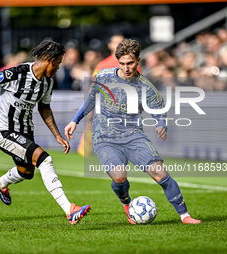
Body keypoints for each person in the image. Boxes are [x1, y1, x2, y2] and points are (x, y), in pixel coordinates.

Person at [0, 40, 90, 225]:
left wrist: (57, 135)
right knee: (44, 159)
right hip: (4, 130)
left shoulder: (47, 82)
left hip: (25, 131)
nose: (58, 68)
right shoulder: (16, 73)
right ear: (51, 60)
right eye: (58, 64)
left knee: (26, 172)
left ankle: (0, 183)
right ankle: (69, 209)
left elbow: (45, 109)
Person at [65, 38, 201, 224]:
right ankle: (127, 203)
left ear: (138, 60)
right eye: (122, 64)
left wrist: (161, 123)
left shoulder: (146, 87)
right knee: (119, 176)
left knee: (160, 173)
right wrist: (75, 120)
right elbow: (90, 99)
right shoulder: (104, 76)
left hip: (133, 136)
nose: (126, 67)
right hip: (105, 137)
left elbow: (159, 110)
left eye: (130, 63)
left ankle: (185, 216)